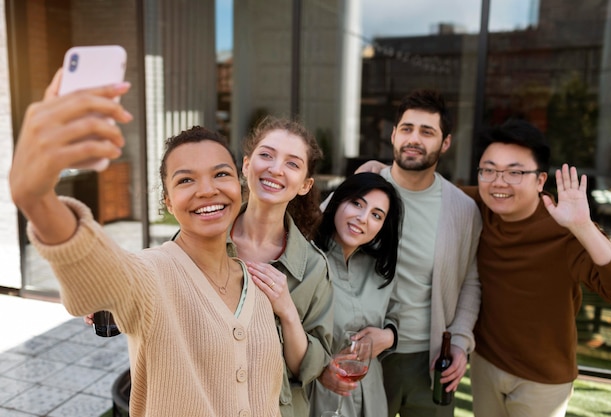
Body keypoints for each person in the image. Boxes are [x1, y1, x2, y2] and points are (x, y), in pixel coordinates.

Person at [9, 72, 283, 417]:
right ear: (168, 202)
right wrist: (37, 199)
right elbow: (99, 275)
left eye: (221, 174)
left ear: (241, 187)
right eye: (186, 180)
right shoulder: (151, 273)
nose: (207, 189)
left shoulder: (257, 286)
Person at [460, 119, 611, 417]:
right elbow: (429, 190)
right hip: (485, 362)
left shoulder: (565, 228)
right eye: (489, 170)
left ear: (540, 180)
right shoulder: (476, 205)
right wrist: (379, 173)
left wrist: (584, 228)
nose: (499, 182)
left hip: (543, 378)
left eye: (515, 172)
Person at [356, 89, 482, 417]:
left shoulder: (462, 209)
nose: (415, 139)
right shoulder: (361, 191)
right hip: (364, 353)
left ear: (445, 143)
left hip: (429, 362)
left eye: (427, 132)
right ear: (394, 134)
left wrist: (459, 342)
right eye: (407, 129)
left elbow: (470, 282)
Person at [229, 115, 334, 417]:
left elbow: (307, 368)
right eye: (266, 155)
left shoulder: (314, 268)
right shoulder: (201, 240)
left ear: (305, 185)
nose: (275, 169)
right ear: (247, 165)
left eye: (292, 163)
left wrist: (286, 310)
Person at [308, 172, 403, 417]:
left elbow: (396, 315)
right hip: (315, 398)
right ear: (338, 201)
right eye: (357, 203)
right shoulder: (306, 260)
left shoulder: (379, 270)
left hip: (370, 398)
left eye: (376, 215)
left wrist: (389, 336)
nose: (362, 218)